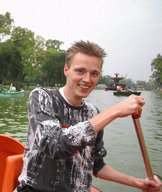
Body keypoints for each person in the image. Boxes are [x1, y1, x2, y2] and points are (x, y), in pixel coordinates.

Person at [15, 41, 162, 192]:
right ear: (66, 70)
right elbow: (55, 146)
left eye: (94, 73)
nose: (87, 79)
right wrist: (114, 111)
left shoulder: (94, 113)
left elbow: (96, 165)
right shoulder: (42, 97)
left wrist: (138, 183)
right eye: (80, 71)